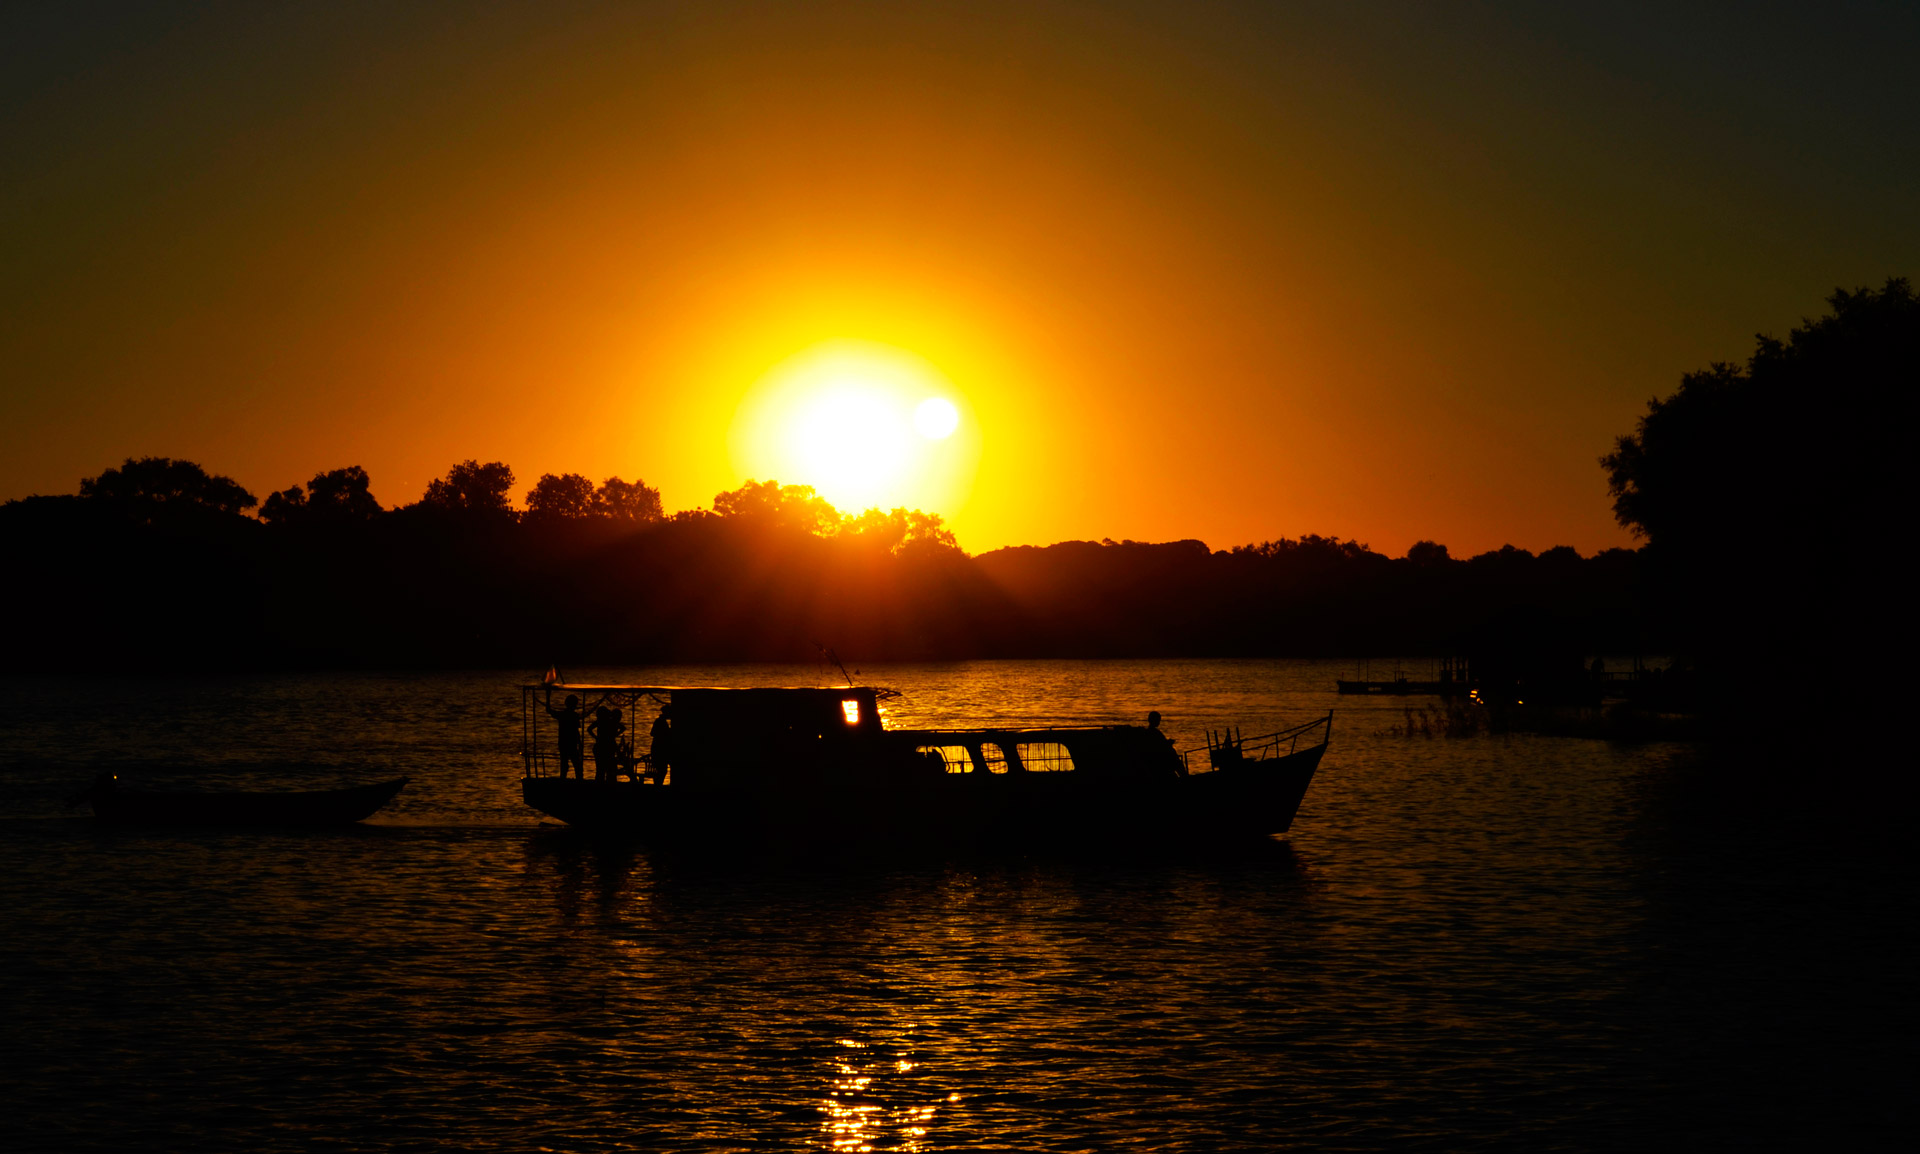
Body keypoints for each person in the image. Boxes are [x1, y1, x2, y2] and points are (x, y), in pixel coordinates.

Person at [547, 693, 586, 779]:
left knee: (565, 764)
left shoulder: (563, 715)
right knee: (576, 765)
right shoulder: (574, 716)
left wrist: (548, 695)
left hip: (564, 743)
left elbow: (549, 710)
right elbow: (576, 731)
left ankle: (563, 780)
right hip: (570, 744)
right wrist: (579, 743)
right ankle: (579, 781)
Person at [589, 706, 621, 782]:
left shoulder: (600, 721)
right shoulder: (610, 722)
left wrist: (596, 737)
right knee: (609, 770)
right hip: (608, 747)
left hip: (600, 746)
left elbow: (589, 729)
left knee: (600, 770)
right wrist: (616, 734)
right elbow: (622, 727)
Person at [648, 704, 674, 785]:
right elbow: (653, 733)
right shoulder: (660, 722)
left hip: (658, 749)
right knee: (661, 770)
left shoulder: (661, 721)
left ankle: (658, 785)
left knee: (661, 770)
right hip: (659, 750)